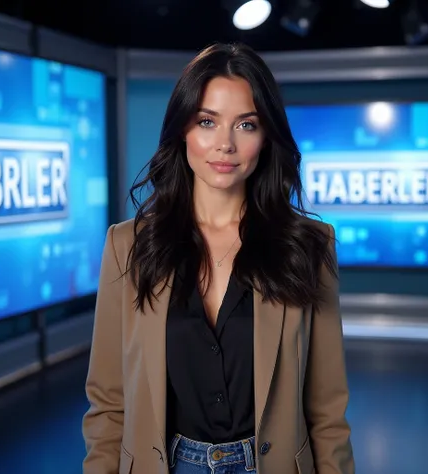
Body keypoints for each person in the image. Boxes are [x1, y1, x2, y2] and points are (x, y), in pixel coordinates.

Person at [82, 42, 355, 474]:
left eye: (246, 125)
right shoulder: (128, 246)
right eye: (207, 121)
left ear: (266, 137)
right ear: (182, 130)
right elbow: (109, 404)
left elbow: (327, 411)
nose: (224, 144)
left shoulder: (309, 246)